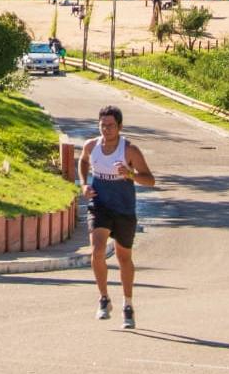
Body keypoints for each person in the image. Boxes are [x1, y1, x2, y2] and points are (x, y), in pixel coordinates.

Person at [81, 104, 156, 330]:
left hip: (124, 208)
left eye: (111, 126)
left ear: (120, 127)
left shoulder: (130, 150)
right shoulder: (91, 145)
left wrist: (130, 174)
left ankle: (128, 305)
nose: (106, 130)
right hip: (99, 205)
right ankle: (104, 299)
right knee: (97, 250)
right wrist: (84, 184)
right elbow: (83, 161)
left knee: (124, 258)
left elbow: (150, 180)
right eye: (103, 125)